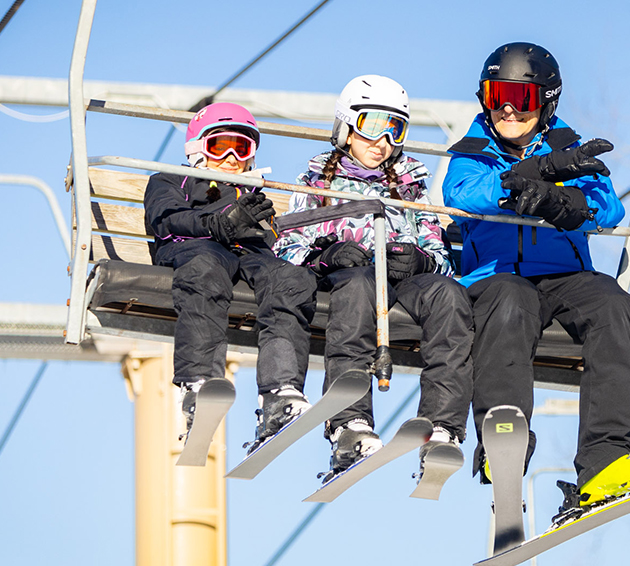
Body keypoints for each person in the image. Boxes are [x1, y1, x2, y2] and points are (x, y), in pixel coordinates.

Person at [442, 42, 630, 516]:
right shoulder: (475, 151)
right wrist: (526, 178)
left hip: (565, 275)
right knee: (511, 303)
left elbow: (609, 207)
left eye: (522, 98)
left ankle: (607, 460)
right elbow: (462, 192)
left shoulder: (569, 149)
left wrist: (569, 204)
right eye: (497, 96)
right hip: (497, 276)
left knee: (614, 306)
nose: (508, 110)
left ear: (546, 102)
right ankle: (504, 436)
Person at [274, 75, 473, 481]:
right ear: (347, 127)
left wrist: (420, 261)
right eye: (371, 125)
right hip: (350, 277)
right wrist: (326, 256)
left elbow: (440, 256)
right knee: (358, 287)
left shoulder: (410, 186)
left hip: (402, 280)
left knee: (449, 295)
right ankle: (350, 421)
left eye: (394, 129)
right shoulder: (319, 182)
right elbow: (288, 247)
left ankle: (442, 426)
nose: (382, 140)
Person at [144, 102, 317, 449]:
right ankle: (199, 382)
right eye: (220, 146)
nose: (232, 158)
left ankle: (280, 390)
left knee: (292, 280)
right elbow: (166, 219)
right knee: (205, 271)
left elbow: (273, 245)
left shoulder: (252, 196)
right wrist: (218, 222)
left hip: (246, 257)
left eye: (242, 148)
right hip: (196, 248)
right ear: (198, 148)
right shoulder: (170, 179)